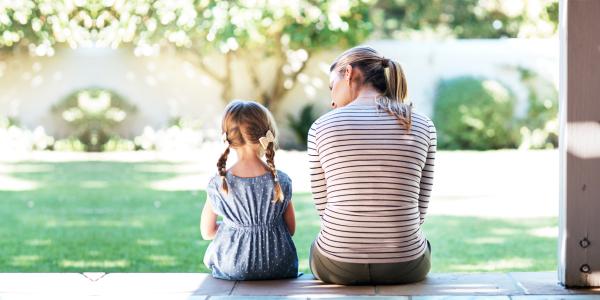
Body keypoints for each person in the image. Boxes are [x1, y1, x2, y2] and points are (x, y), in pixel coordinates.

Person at [308, 46, 437, 285]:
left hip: (337, 265)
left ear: (348, 73)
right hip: (405, 265)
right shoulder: (422, 125)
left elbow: (324, 208)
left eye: (331, 86)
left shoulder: (321, 127)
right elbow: (420, 209)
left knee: (319, 246)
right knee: (422, 244)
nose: (332, 99)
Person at [201, 100, 298, 280]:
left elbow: (207, 232)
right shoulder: (281, 180)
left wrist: (234, 228)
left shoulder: (219, 183)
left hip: (234, 266)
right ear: (266, 134)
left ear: (228, 138)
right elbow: (290, 229)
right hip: (279, 265)